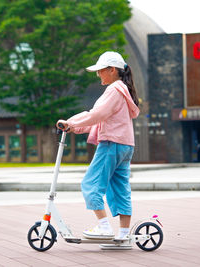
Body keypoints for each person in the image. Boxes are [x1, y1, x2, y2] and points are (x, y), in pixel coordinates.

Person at [56, 51, 140, 242]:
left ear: (112, 70)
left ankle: (104, 227)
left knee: (90, 184)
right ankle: (124, 235)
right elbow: (97, 119)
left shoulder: (114, 90)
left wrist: (71, 123)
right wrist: (73, 126)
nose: (98, 75)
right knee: (120, 188)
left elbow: (96, 115)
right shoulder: (123, 91)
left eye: (100, 71)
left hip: (111, 144)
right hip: (125, 145)